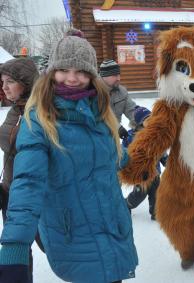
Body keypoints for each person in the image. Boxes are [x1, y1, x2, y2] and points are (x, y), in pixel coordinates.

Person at [0, 31, 138, 283]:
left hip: (113, 227)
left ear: (92, 75)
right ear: (52, 71)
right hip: (75, 234)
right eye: (64, 69)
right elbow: (27, 183)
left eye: (81, 71)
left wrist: (142, 155)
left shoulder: (100, 111)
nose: (72, 78)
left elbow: (108, 161)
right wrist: (15, 246)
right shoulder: (39, 120)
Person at [0, 58, 43, 282]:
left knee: (54, 247)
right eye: (2, 81)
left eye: (10, 81)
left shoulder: (38, 111)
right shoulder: (15, 109)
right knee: (17, 253)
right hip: (10, 192)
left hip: (33, 196)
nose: (4, 87)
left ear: (25, 83)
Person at [123, 106, 167, 220]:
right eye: (147, 119)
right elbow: (125, 153)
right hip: (142, 174)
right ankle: (127, 204)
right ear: (140, 123)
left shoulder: (155, 134)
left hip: (155, 172)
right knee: (139, 195)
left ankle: (155, 212)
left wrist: (165, 159)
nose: (151, 121)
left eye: (152, 118)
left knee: (156, 194)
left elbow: (160, 150)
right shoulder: (131, 137)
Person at [99, 59, 137, 139]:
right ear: (104, 76)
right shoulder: (95, 92)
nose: (118, 78)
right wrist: (117, 128)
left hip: (113, 138)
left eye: (119, 75)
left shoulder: (121, 91)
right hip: (97, 137)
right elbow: (101, 116)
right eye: (114, 75)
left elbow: (131, 110)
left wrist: (144, 118)